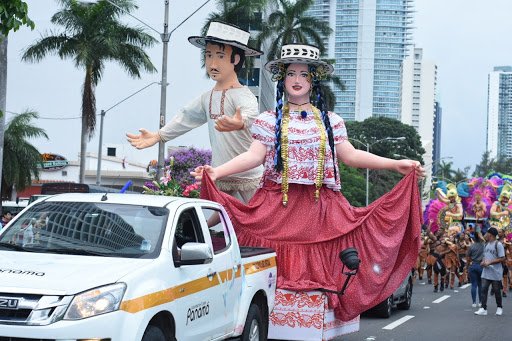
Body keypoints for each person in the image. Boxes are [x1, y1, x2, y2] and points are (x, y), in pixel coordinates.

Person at [192, 43, 424, 321]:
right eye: (292, 74)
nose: (297, 80)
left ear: (312, 80)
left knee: (322, 281)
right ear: (283, 79)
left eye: (304, 74)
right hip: (277, 208)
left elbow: (349, 155)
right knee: (269, 275)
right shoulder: (269, 120)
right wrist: (218, 172)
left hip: (321, 211)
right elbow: (254, 156)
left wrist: (395, 164)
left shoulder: (331, 121)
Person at [126, 21, 264, 203]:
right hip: (219, 174)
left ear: (236, 60)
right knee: (213, 220)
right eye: (208, 55)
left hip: (249, 176)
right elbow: (186, 117)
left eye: (220, 56)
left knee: (258, 221)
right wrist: (159, 135)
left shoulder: (242, 95)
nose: (213, 63)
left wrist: (241, 122)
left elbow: (250, 112)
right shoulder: (206, 98)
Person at [475, 227, 505, 316]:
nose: (486, 235)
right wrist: (483, 262)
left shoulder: (498, 245)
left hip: (496, 273)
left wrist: (490, 262)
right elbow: (486, 256)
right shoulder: (486, 244)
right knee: (483, 290)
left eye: (487, 233)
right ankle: (483, 308)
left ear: (490, 234)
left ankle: (499, 307)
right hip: (486, 272)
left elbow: (502, 258)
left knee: (496, 291)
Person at [467, 232, 485, 308]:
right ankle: (480, 302)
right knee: (480, 284)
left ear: (473, 238)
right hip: (481, 265)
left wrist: (467, 266)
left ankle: (474, 302)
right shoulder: (483, 245)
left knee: (473, 284)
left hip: (473, 265)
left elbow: (468, 257)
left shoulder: (471, 246)